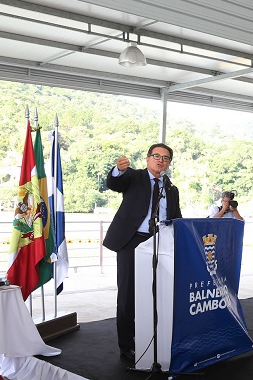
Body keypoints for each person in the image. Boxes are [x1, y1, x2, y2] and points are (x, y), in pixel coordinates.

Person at [102, 143, 182, 364]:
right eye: (156, 156)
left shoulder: (171, 188)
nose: (160, 160)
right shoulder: (133, 176)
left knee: (158, 293)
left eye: (165, 158)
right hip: (131, 241)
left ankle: (155, 340)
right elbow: (115, 183)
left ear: (169, 163)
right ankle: (127, 345)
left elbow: (176, 217)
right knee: (128, 295)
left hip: (159, 243)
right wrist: (118, 170)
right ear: (147, 159)